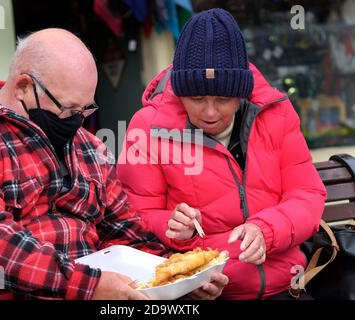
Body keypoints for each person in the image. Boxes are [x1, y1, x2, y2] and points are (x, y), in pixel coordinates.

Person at [0, 29, 228, 300]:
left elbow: (126, 232)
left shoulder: (89, 148)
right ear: (23, 87)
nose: (77, 120)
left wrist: (180, 277)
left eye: (85, 110)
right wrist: (87, 286)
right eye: (68, 110)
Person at [117, 9, 327, 299]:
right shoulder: (148, 128)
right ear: (180, 93)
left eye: (224, 99)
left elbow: (307, 194)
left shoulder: (277, 114)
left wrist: (268, 230)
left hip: (286, 286)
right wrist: (171, 226)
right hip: (201, 290)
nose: (210, 112)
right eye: (197, 99)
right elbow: (132, 219)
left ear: (241, 93)